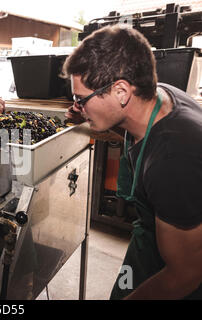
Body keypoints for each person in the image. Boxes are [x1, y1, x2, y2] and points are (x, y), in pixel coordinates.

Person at [63, 25, 201, 299]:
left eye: (81, 99)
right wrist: (87, 114)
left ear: (121, 91)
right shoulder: (154, 96)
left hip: (182, 263)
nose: (76, 107)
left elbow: (185, 274)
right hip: (150, 236)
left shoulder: (174, 158)